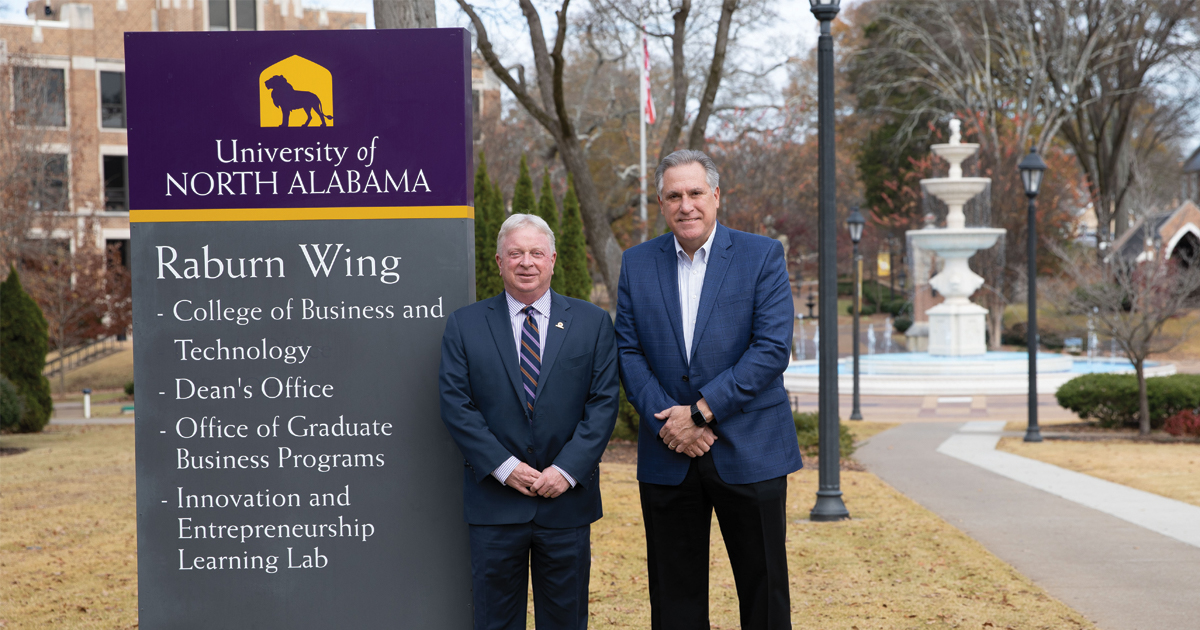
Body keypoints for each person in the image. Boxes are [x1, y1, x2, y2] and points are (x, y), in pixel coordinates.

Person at [615, 150, 801, 630]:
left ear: (716, 196)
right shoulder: (636, 264)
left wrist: (699, 413)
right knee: (674, 601)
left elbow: (771, 349)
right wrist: (672, 422)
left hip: (751, 448)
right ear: (661, 203)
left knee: (764, 595)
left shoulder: (762, 255)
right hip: (668, 453)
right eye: (674, 196)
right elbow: (628, 352)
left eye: (696, 193)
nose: (686, 205)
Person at [440, 213, 619, 630]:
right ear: (498, 262)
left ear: (553, 260)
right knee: (495, 621)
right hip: (495, 506)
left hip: (566, 503)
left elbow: (603, 403)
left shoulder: (591, 323)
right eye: (515, 253)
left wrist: (568, 470)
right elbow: (456, 404)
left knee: (565, 621)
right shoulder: (465, 325)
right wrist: (504, 467)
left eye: (536, 253)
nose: (526, 262)